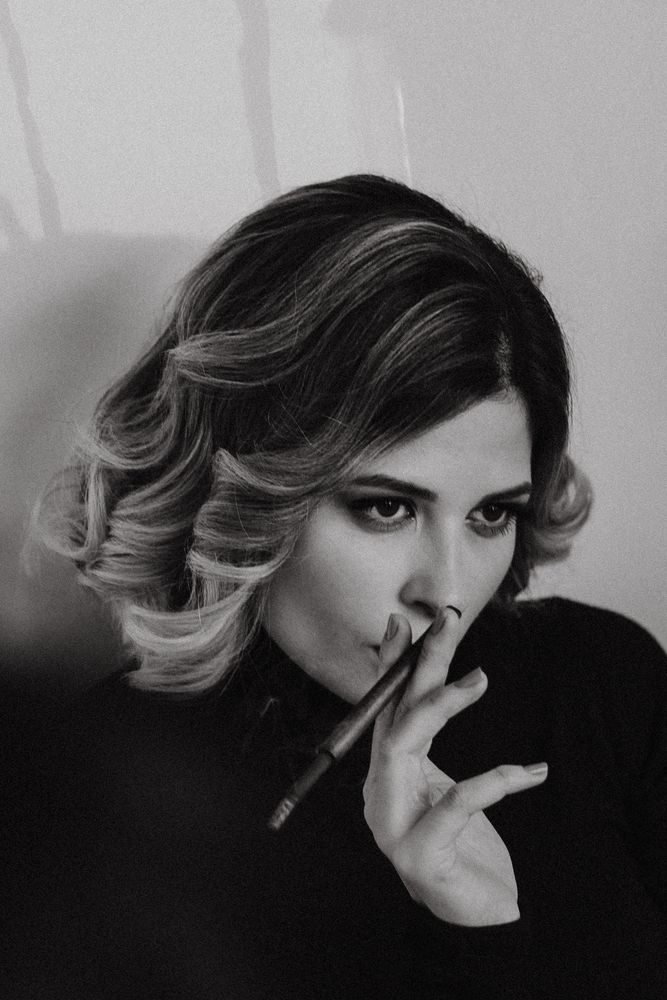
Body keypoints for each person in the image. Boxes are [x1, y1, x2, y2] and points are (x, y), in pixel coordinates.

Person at [7, 175, 666, 999]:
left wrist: (490, 930)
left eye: (490, 514)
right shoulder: (93, 798)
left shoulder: (603, 682)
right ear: (243, 493)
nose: (447, 593)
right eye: (386, 507)